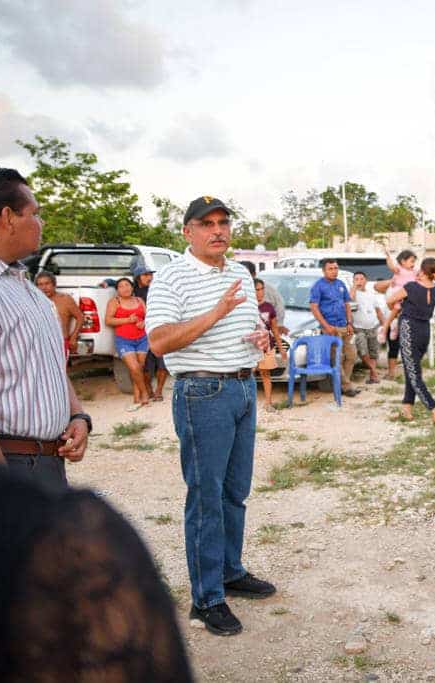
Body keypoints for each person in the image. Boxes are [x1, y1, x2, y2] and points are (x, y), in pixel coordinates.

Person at [0, 443, 193, 682]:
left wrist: (79, 417)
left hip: (46, 458)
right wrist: (5, 501)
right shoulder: (75, 532)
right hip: (10, 471)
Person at [145, 195, 276, 637]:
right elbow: (160, 342)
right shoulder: (170, 278)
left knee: (235, 492)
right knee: (205, 497)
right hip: (202, 391)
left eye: (223, 223)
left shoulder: (239, 271)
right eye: (206, 224)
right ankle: (206, 598)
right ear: (188, 232)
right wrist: (216, 311)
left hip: (242, 385)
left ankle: (230, 571)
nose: (217, 230)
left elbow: (242, 327)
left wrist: (258, 337)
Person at [0, 168, 91, 492]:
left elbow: (44, 362)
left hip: (41, 463)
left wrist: (78, 415)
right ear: (8, 217)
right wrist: (3, 497)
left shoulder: (18, 284)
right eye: (35, 214)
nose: (41, 224)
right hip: (2, 466)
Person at [388, 258, 435, 424]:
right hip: (424, 330)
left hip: (409, 328)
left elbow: (389, 300)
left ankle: (433, 408)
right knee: (410, 369)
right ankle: (407, 408)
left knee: (413, 374)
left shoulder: (411, 287)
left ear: (423, 271)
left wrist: (398, 306)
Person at [309, 259, 360, 398]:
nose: (334, 271)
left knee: (351, 356)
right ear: (324, 271)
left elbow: (347, 304)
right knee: (337, 358)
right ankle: (346, 386)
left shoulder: (340, 284)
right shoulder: (318, 286)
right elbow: (314, 307)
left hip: (345, 326)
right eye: (331, 268)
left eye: (336, 268)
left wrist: (349, 322)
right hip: (330, 327)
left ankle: (345, 384)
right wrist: (326, 326)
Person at [106, 277, 151, 411]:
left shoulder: (139, 300)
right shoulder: (115, 302)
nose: (125, 288)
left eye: (127, 285)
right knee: (134, 368)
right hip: (124, 340)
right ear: (117, 290)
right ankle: (145, 393)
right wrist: (128, 320)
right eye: (121, 286)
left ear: (132, 287)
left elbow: (148, 316)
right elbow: (108, 320)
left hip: (142, 338)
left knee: (139, 369)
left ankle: (137, 398)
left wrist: (144, 322)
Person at [132, 264, 169, 401]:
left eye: (150, 274)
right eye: (145, 275)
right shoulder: (133, 291)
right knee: (147, 365)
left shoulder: (157, 289)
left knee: (162, 363)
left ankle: (159, 391)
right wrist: (108, 282)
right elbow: (116, 282)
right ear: (137, 278)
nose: (150, 277)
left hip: (159, 330)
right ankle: (149, 390)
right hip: (141, 334)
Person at [34, 270, 83, 360]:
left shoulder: (65, 299)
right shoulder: (33, 301)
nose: (44, 287)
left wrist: (73, 337)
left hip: (60, 343)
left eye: (47, 283)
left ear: (54, 284)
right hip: (39, 344)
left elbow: (80, 317)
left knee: (60, 372)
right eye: (40, 284)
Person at [255, 279, 288, 411]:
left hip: (266, 345)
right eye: (257, 289)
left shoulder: (269, 307)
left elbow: (274, 329)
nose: (260, 292)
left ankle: (268, 402)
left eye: (262, 289)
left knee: (265, 373)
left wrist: (281, 348)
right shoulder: (246, 306)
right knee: (247, 373)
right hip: (250, 346)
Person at [375, 247, 418, 344]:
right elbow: (391, 266)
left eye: (414, 262)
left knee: (401, 313)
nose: (413, 264)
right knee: (395, 310)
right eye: (411, 261)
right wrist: (388, 257)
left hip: (407, 297)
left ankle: (395, 325)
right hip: (398, 294)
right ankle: (384, 329)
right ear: (403, 261)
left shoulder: (415, 272)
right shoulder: (399, 270)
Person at [351, 271, 384, 384]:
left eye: (361, 279)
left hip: (372, 326)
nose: (359, 281)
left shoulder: (371, 294)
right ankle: (374, 371)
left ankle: (373, 376)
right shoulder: (352, 293)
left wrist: (384, 324)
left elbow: (378, 310)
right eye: (356, 279)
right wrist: (354, 287)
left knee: (373, 351)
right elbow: (350, 300)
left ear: (366, 280)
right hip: (358, 328)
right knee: (362, 350)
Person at [241, 260, 286, 334]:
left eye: (246, 275)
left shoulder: (268, 290)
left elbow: (279, 307)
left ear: (254, 274)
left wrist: (277, 326)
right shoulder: (233, 290)